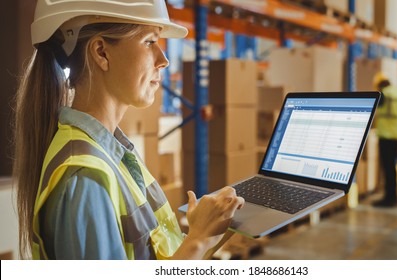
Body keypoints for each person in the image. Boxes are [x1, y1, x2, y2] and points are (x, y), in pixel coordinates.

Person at [13, 0, 244, 260]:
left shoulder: (114, 153)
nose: (164, 60)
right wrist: (198, 239)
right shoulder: (86, 178)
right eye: (149, 41)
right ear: (101, 52)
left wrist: (213, 229)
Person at [372, 72, 397, 208]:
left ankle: (389, 198)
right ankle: (394, 196)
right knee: (392, 166)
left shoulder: (384, 94)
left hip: (386, 134)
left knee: (387, 167)